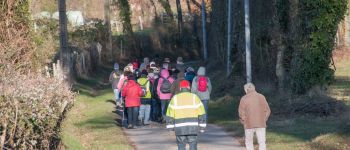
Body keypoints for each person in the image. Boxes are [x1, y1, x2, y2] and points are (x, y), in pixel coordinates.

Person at [166, 80, 207, 150]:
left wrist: (170, 127)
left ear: (180, 88)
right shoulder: (195, 97)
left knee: (181, 146)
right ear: (189, 87)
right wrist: (202, 127)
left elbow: (170, 114)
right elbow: (202, 113)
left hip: (180, 128)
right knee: (193, 146)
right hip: (192, 127)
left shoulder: (175, 98)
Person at [238, 83, 271, 150]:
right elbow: (268, 110)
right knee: (262, 142)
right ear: (254, 88)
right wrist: (264, 119)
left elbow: (241, 112)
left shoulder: (244, 98)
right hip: (261, 123)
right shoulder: (261, 97)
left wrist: (244, 120)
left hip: (249, 124)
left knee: (249, 142)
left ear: (246, 90)